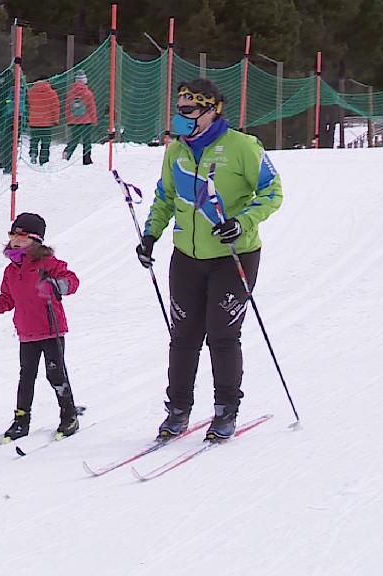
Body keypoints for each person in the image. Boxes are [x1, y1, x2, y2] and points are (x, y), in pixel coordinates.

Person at [136, 78, 283, 442]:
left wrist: (242, 222)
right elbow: (165, 195)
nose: (180, 117)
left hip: (233, 256)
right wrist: (150, 234)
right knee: (183, 337)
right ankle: (178, 410)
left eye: (188, 110)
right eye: (178, 109)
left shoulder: (243, 147)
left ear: (211, 109)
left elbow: (272, 191)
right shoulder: (176, 150)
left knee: (222, 335)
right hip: (186, 257)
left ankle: (225, 410)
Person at [0, 213, 82, 441]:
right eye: (12, 234)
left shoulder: (48, 264)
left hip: (50, 329)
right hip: (26, 333)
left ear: (35, 239)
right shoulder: (11, 271)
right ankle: (21, 419)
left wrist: (56, 285)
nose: (15, 239)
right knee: (26, 376)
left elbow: (72, 281)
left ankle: (69, 415)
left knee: (55, 374)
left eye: (22, 235)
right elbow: (7, 301)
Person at [63, 71, 97, 165]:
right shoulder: (88, 93)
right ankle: (87, 159)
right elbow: (91, 108)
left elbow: (67, 108)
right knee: (87, 141)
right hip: (86, 121)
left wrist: (69, 120)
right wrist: (94, 120)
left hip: (74, 121)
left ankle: (67, 152)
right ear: (85, 80)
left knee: (74, 139)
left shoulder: (70, 93)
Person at [27, 77, 60, 165]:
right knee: (45, 143)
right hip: (47, 122)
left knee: (34, 140)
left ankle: (33, 153)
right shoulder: (52, 93)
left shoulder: (30, 92)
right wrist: (55, 120)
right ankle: (43, 160)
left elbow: (27, 105)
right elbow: (55, 107)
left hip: (34, 121)